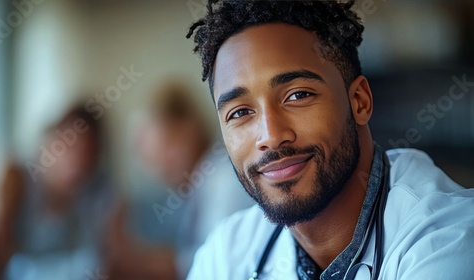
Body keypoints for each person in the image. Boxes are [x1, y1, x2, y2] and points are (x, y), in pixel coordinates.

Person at [185, 1, 474, 279]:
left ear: (359, 101)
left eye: (298, 95)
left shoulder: (449, 239)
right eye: (240, 112)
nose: (271, 137)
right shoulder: (227, 252)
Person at [105, 80, 253, 279]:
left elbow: (214, 265)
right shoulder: (196, 187)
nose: (161, 168)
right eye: (152, 161)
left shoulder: (223, 180)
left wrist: (132, 258)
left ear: (190, 129)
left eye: (167, 147)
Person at [0, 105, 117, 280]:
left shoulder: (96, 192)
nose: (76, 162)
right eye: (70, 147)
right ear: (52, 142)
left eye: (86, 153)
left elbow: (105, 258)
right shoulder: (16, 177)